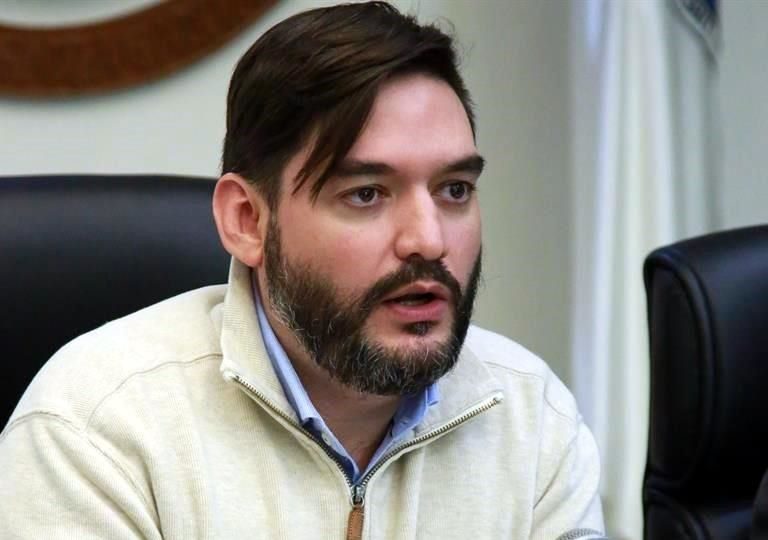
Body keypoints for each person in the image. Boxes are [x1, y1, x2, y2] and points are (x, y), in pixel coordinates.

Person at [0, 2, 606, 538]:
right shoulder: (96, 430)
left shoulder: (532, 420)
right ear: (247, 220)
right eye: (366, 194)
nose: (428, 240)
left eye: (454, 190)